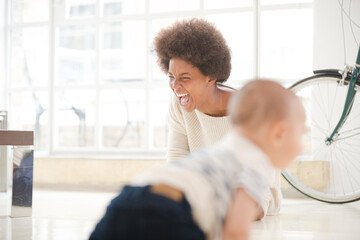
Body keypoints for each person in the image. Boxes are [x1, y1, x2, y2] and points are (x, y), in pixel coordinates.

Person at [89, 80, 306, 240]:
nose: (302, 146)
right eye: (300, 134)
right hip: (171, 213)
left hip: (129, 197)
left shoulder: (222, 150)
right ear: (278, 133)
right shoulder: (254, 164)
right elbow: (235, 232)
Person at [153, 18, 282, 215]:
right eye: (171, 77)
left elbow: (259, 190)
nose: (175, 86)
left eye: (185, 78)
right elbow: (176, 163)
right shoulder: (179, 104)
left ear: (211, 77)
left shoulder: (251, 111)